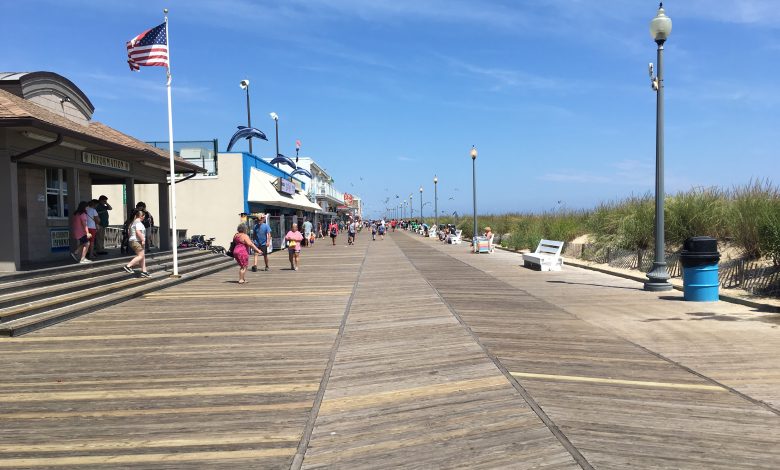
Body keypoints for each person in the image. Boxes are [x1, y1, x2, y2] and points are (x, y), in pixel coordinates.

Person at [122, 208, 150, 277]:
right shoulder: (138, 222)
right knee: (141, 256)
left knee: (142, 256)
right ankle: (128, 266)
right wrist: (143, 240)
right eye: (143, 216)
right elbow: (138, 232)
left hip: (135, 240)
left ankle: (144, 271)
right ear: (141, 216)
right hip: (137, 241)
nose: (144, 217)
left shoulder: (133, 222)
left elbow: (129, 232)